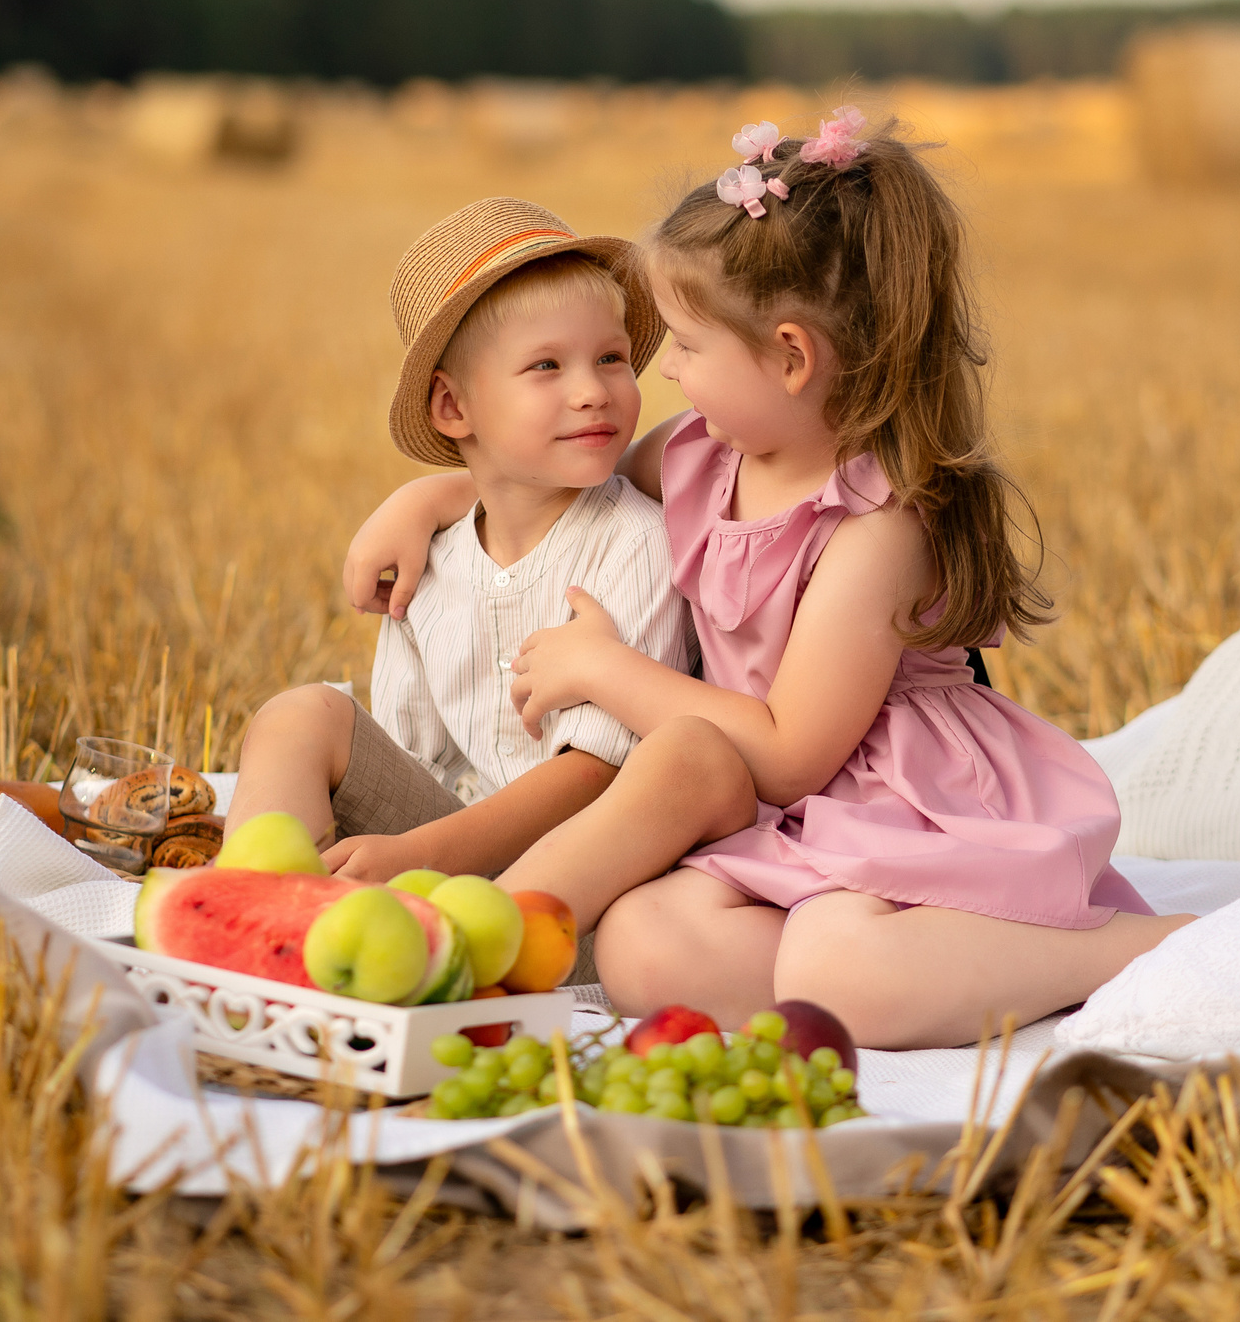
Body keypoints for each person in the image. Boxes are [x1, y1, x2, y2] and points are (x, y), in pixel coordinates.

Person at [346, 113, 1191, 1048]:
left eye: (690, 349)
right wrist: (431, 497)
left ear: (790, 357)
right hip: (788, 827)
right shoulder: (704, 455)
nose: (669, 378)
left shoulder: (878, 526)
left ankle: (1134, 949)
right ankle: (912, 977)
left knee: (841, 969)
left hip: (900, 807)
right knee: (639, 945)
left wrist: (604, 669)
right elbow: (546, 473)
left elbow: (793, 751)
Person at [225, 198, 695, 886]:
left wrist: (425, 857)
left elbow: (602, 773)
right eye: (547, 366)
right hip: (445, 850)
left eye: (610, 357)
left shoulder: (635, 543)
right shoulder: (431, 567)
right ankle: (258, 910)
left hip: (585, 883)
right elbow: (415, 760)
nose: (593, 390)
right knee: (300, 714)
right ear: (453, 407)